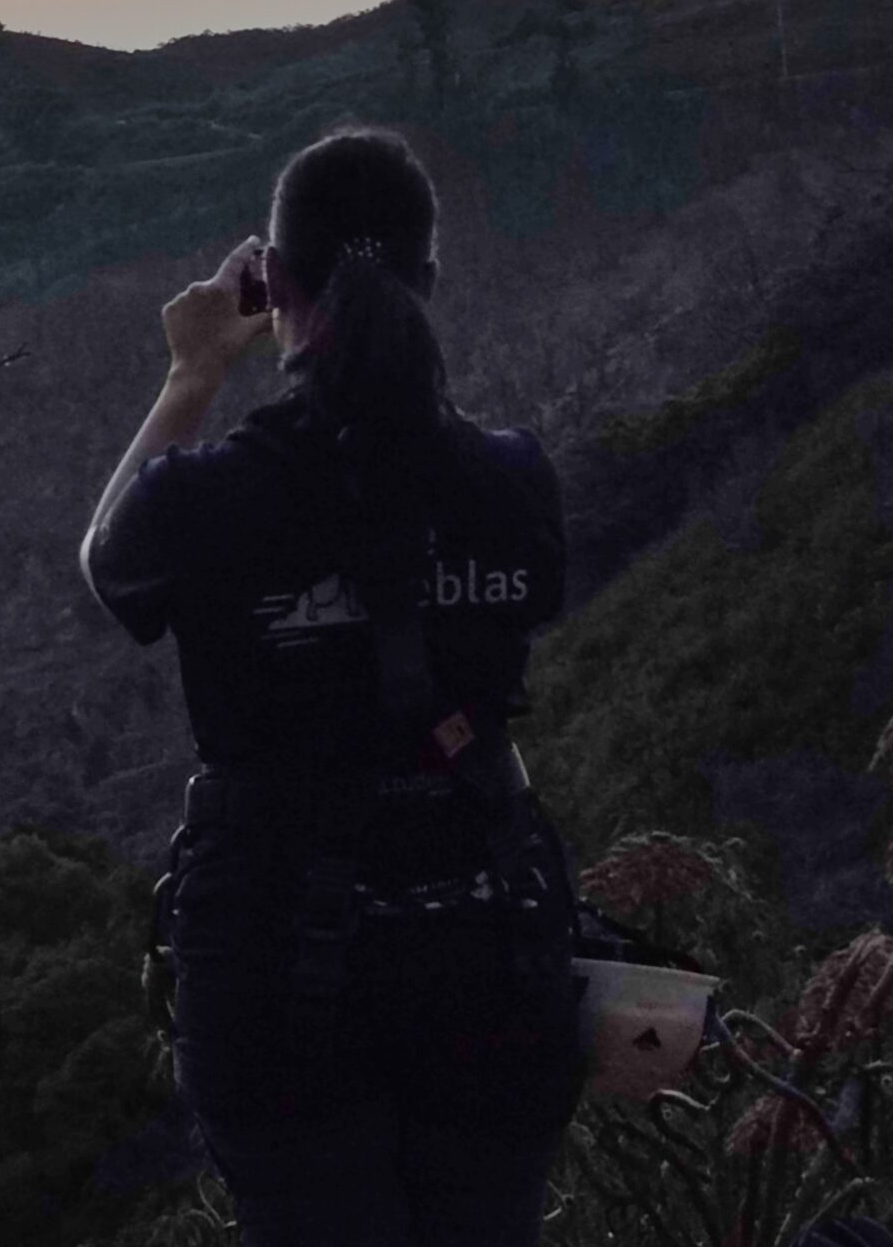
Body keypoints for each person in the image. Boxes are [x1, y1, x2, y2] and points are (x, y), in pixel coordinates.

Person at [77, 126, 587, 1247]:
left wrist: (193, 372)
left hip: (274, 977)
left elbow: (110, 565)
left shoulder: (209, 500)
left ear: (273, 282)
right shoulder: (513, 482)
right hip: (488, 950)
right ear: (429, 280)